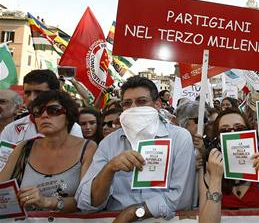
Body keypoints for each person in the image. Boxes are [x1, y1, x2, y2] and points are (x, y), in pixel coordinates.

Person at [76, 76, 195, 221]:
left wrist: (134, 213)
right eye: (127, 103)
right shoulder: (109, 143)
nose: (133, 108)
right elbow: (87, 203)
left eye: (141, 102)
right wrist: (110, 168)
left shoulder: (179, 138)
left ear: (157, 104)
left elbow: (182, 198)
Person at [0, 90, 96, 212]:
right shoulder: (23, 148)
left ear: (68, 116)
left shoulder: (88, 148)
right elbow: (2, 189)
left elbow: (88, 200)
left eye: (53, 110)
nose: (44, 115)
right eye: (38, 112)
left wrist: (47, 201)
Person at [198, 109, 259, 223]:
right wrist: (215, 179)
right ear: (217, 138)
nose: (233, 133)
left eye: (239, 128)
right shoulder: (209, 168)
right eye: (225, 130)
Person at [1, 69, 83, 143]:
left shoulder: (72, 129)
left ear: (55, 93)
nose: (32, 98)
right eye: (27, 93)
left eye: (39, 92)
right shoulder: (11, 130)